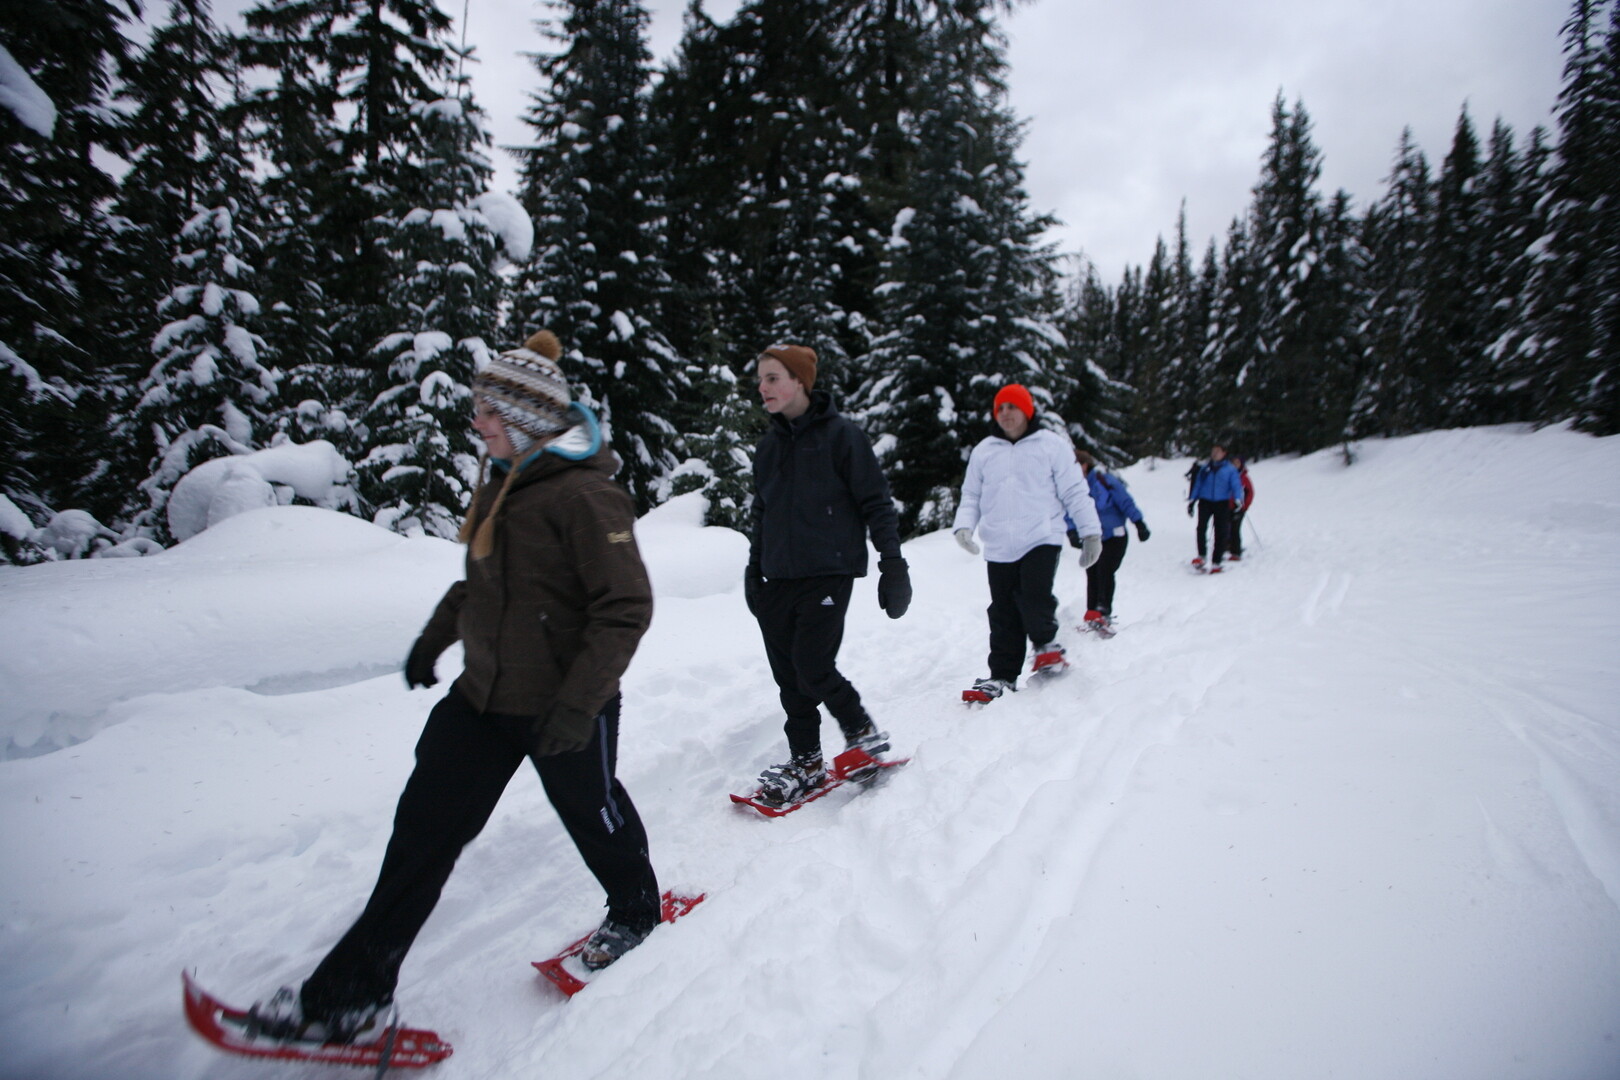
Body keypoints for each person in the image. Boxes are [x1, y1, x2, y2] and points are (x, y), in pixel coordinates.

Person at [249, 330, 661, 1043]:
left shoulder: (586, 495)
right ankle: (353, 994)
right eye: (480, 409)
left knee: (591, 810)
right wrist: (438, 635)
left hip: (565, 704)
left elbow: (625, 607)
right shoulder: (504, 480)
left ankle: (635, 908)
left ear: (527, 419)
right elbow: (483, 578)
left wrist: (577, 703)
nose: (478, 423)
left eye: (489, 412)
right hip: (481, 700)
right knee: (423, 834)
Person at [745, 343, 911, 807]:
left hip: (829, 571)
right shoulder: (768, 446)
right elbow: (762, 510)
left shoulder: (843, 437)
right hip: (777, 577)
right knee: (789, 678)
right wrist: (753, 569)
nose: (763, 387)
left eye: (773, 377)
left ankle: (862, 734)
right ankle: (807, 761)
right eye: (761, 379)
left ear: (800, 381)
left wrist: (892, 564)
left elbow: (876, 503)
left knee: (812, 664)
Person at [953, 384, 1102, 702]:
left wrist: (1090, 533)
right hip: (998, 546)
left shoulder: (1051, 446)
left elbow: (1075, 491)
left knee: (1034, 595)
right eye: (1000, 408)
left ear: (1027, 410)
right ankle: (1002, 677)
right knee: (1003, 611)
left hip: (1041, 536)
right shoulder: (984, 451)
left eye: (1012, 406)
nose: (1005, 413)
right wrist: (964, 527)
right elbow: (971, 496)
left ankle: (1047, 646)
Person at [1073, 449, 1149, 631]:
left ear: (1084, 465)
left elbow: (1125, 501)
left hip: (1115, 535)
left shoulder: (1103, 480)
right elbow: (1070, 511)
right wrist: (1071, 532)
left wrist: (1139, 523)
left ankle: (1103, 611)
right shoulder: (1075, 486)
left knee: (1105, 571)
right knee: (1092, 572)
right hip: (1092, 537)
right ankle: (1092, 612)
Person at [1186, 442, 1244, 573]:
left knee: (1220, 531)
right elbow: (1198, 484)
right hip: (1205, 501)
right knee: (1201, 528)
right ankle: (1201, 556)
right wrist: (1192, 501)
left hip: (1221, 502)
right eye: (1213, 451)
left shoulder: (1230, 469)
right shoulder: (1206, 468)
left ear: (1224, 453)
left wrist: (1238, 500)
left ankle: (1216, 561)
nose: (1214, 453)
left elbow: (1236, 485)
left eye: (1218, 451)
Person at [1227, 455, 1254, 561]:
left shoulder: (1244, 478)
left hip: (1239, 507)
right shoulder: (1226, 475)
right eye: (1233, 462)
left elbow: (1250, 493)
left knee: (1235, 528)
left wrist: (1245, 506)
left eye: (1237, 463)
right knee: (1223, 527)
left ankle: (1236, 551)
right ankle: (1226, 545)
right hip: (1225, 506)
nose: (1235, 465)